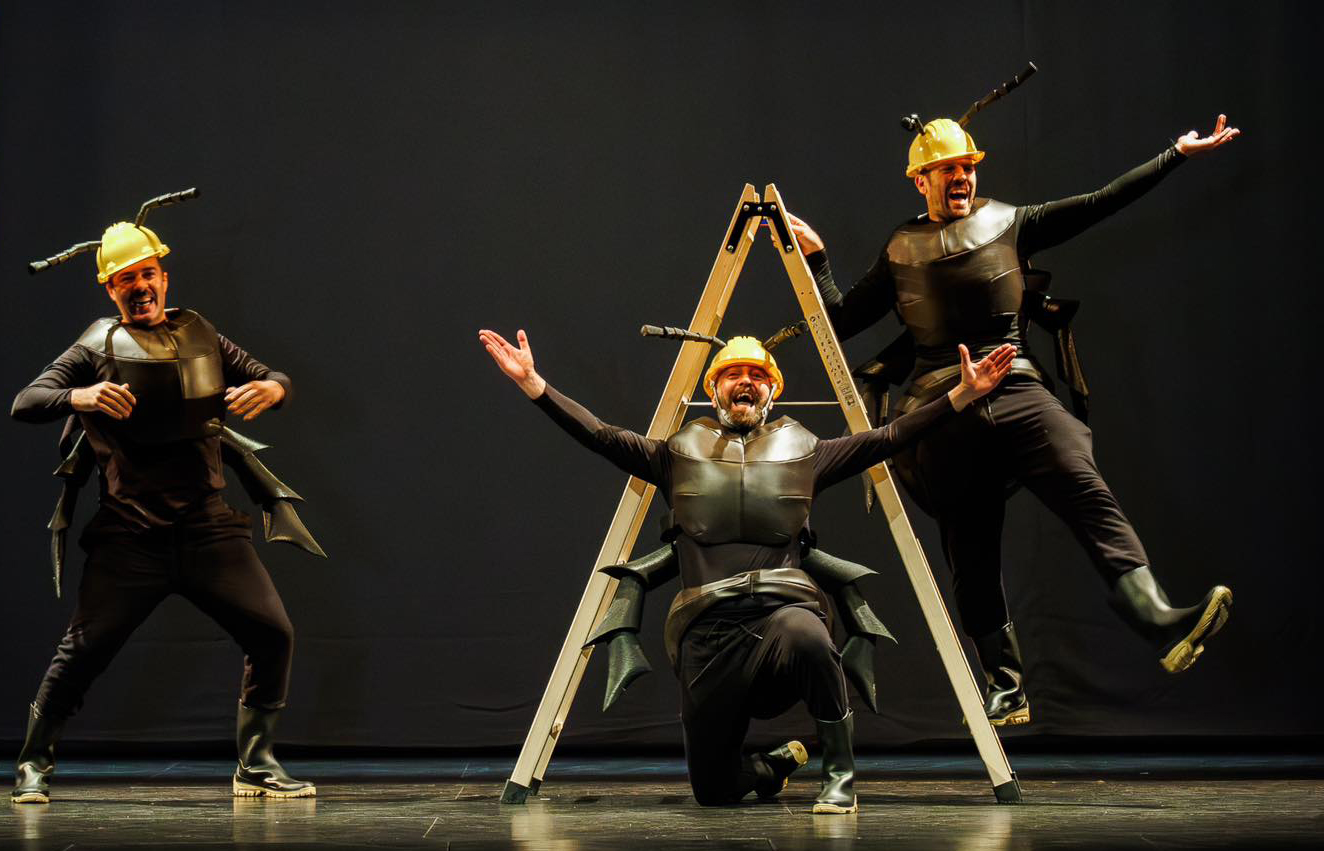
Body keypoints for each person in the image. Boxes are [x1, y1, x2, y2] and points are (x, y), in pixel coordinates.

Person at [784, 114, 1239, 726]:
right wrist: (817, 261)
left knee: (1084, 486)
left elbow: (1100, 202)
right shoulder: (900, 248)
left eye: (968, 167)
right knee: (968, 545)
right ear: (921, 180)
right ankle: (1006, 682)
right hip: (945, 405)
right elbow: (839, 324)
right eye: (948, 169)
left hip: (1015, 385)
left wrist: (1174, 155)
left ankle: (1157, 619)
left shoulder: (1009, 221)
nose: (962, 177)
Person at [480, 327, 1015, 813]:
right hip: (707, 633)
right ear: (714, 390)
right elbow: (600, 435)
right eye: (733, 374)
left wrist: (961, 395)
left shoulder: (806, 450)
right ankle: (773, 765)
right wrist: (534, 385)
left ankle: (840, 776)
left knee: (808, 636)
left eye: (757, 375)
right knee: (714, 791)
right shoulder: (676, 453)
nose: (745, 382)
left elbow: (889, 438)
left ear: (772, 390)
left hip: (782, 613)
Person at [9, 214, 315, 803]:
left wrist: (274, 389)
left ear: (164, 277)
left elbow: (270, 376)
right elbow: (27, 400)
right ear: (111, 289)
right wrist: (80, 394)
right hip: (131, 535)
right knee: (83, 651)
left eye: (148, 273)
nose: (140, 286)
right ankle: (33, 762)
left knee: (273, 633)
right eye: (126, 279)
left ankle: (256, 763)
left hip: (207, 529)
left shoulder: (201, 333)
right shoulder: (95, 345)